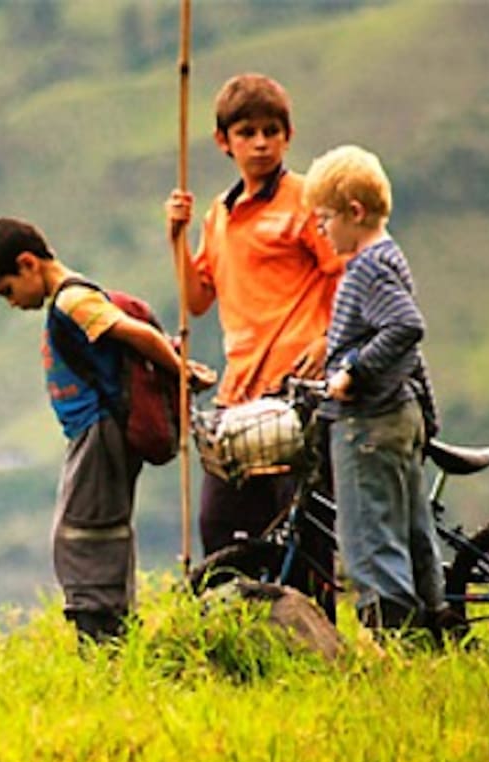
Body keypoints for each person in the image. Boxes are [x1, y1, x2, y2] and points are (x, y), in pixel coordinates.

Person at [0, 216, 214, 646]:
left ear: (28, 264)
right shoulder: (74, 299)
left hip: (101, 432)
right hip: (93, 433)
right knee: (96, 527)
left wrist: (177, 372)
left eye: (7, 290)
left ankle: (104, 636)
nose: (10, 302)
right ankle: (112, 627)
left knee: (85, 532)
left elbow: (135, 333)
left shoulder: (72, 301)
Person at [164, 73, 344, 620]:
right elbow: (197, 299)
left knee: (302, 530)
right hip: (239, 396)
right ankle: (239, 638)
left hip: (296, 393)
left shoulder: (307, 200)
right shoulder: (219, 214)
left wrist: (325, 337)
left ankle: (319, 645)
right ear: (225, 142)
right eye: (247, 132)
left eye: (271, 131)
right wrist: (175, 236)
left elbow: (345, 269)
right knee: (222, 528)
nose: (260, 143)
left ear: (287, 136)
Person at [301, 143, 449, 636]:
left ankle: (395, 640)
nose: (320, 228)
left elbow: (406, 327)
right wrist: (425, 409)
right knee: (412, 529)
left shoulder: (366, 268)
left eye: (324, 217)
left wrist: (352, 373)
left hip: (368, 421)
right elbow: (408, 346)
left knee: (369, 535)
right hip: (398, 412)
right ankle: (435, 622)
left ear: (354, 213)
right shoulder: (391, 256)